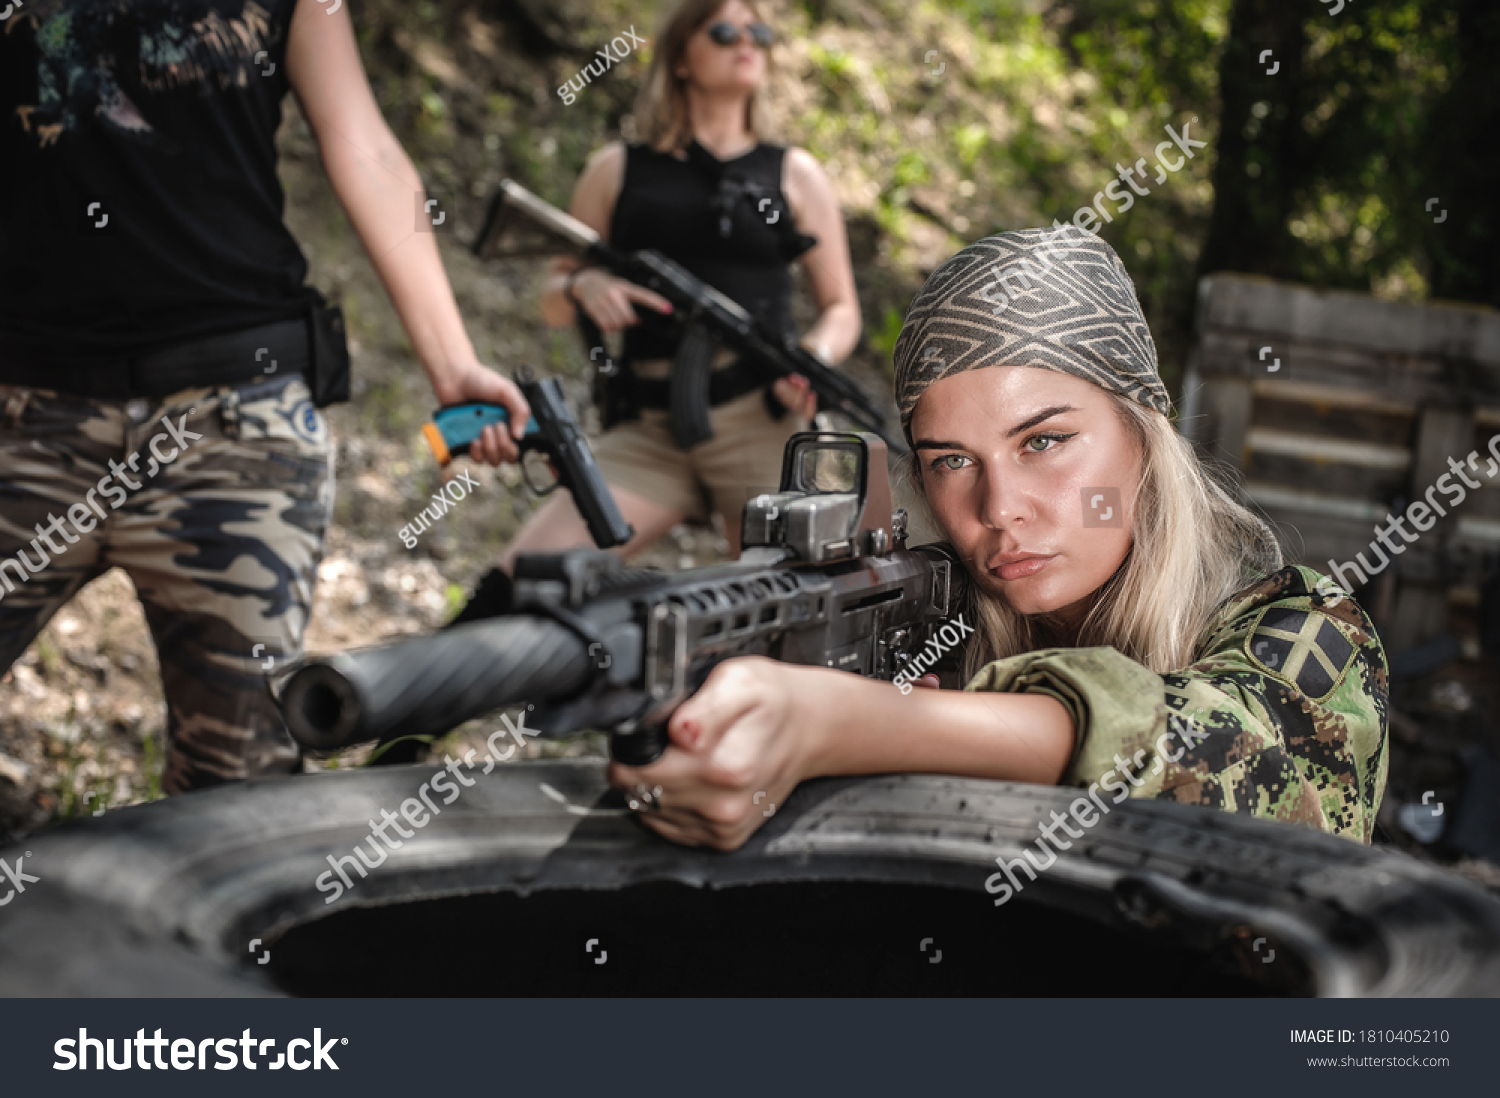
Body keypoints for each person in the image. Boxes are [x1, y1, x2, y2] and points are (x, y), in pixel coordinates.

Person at [606, 228, 1391, 851]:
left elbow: (1248, 762)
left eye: (1043, 442)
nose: (1000, 506)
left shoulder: (1309, 628)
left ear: (1144, 435)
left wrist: (854, 726)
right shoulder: (917, 611)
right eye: (951, 460)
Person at [0, 0, 527, 794]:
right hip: (22, 417)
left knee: (237, 789)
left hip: (234, 425)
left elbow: (367, 148)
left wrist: (454, 367)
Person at [452, 0, 861, 621]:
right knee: (519, 589)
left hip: (764, 428)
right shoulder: (617, 169)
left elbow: (841, 309)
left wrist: (813, 358)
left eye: (760, 31)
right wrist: (583, 285)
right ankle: (391, 714)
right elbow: (552, 299)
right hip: (649, 431)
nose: (746, 41)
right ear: (681, 56)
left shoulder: (795, 174)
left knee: (783, 619)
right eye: (724, 30)